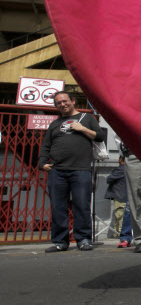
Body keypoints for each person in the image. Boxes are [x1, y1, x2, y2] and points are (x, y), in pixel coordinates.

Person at [38, 91, 105, 252]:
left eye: (65, 101)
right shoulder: (54, 124)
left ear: (73, 101)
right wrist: (41, 163)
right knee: (58, 207)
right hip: (57, 171)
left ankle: (83, 239)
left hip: (80, 170)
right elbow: (46, 146)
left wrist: (82, 129)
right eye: (58, 103)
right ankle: (60, 242)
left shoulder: (87, 118)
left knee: (81, 206)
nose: (62, 104)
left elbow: (100, 136)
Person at [104, 158, 127, 237]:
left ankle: (119, 233)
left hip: (120, 195)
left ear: (121, 159)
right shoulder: (128, 169)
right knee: (120, 215)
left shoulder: (121, 169)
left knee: (120, 215)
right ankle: (116, 233)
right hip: (124, 195)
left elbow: (109, 179)